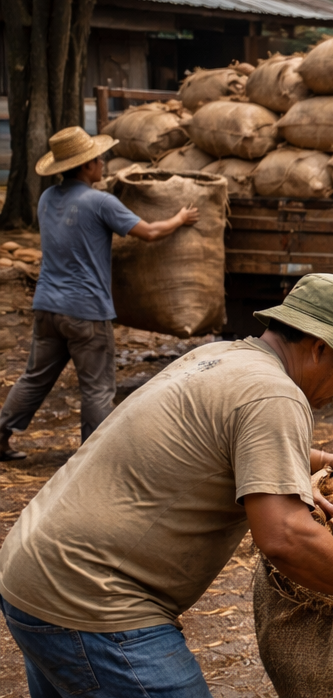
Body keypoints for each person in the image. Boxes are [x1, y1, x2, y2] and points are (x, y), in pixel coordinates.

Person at [0, 273, 333, 698]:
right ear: (318, 347)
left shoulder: (221, 356)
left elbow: (217, 436)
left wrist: (322, 458)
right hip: (93, 599)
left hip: (33, 567)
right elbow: (284, 537)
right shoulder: (276, 395)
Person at [0, 127, 200, 460]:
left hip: (47, 306)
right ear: (87, 165)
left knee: (34, 378)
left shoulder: (47, 198)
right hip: (86, 312)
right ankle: (95, 458)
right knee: (96, 388)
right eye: (99, 159)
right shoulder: (100, 202)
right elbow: (148, 232)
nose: (104, 163)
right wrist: (179, 218)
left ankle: (1, 435)